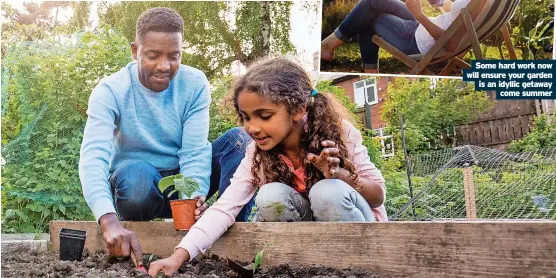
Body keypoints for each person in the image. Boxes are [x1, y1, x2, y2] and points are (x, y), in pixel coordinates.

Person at [147, 57, 387, 277]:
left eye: (264, 115)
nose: (253, 128)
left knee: (327, 191)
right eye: (247, 117)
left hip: (362, 239)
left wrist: (339, 174)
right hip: (311, 245)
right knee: (271, 196)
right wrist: (178, 256)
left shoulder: (338, 133)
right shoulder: (257, 153)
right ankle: (308, 267)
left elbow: (377, 197)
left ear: (298, 109)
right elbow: (225, 208)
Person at [79, 7, 253, 269]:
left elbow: (194, 151)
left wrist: (193, 197)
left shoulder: (194, 83)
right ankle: (140, 232)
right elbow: (94, 157)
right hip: (137, 182)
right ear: (135, 51)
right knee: (136, 179)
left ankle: (235, 236)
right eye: (152, 55)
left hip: (180, 178)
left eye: (174, 56)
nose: (164, 66)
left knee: (240, 140)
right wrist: (108, 221)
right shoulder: (110, 90)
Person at [321, 0, 487, 73]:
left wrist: (420, 15)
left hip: (417, 40)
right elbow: (457, 16)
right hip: (425, 27)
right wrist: (440, 3)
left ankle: (329, 46)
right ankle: (370, 69)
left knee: (368, 15)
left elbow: (451, 44)